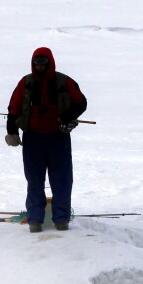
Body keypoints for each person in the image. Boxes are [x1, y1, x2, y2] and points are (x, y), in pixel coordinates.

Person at [5, 47, 88, 233]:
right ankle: (35, 221)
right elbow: (14, 108)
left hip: (59, 138)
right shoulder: (25, 82)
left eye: (43, 63)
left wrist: (68, 116)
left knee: (62, 181)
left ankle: (61, 220)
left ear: (50, 62)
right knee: (34, 181)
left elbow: (81, 102)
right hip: (33, 139)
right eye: (36, 63)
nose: (39, 66)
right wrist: (12, 130)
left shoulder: (64, 81)